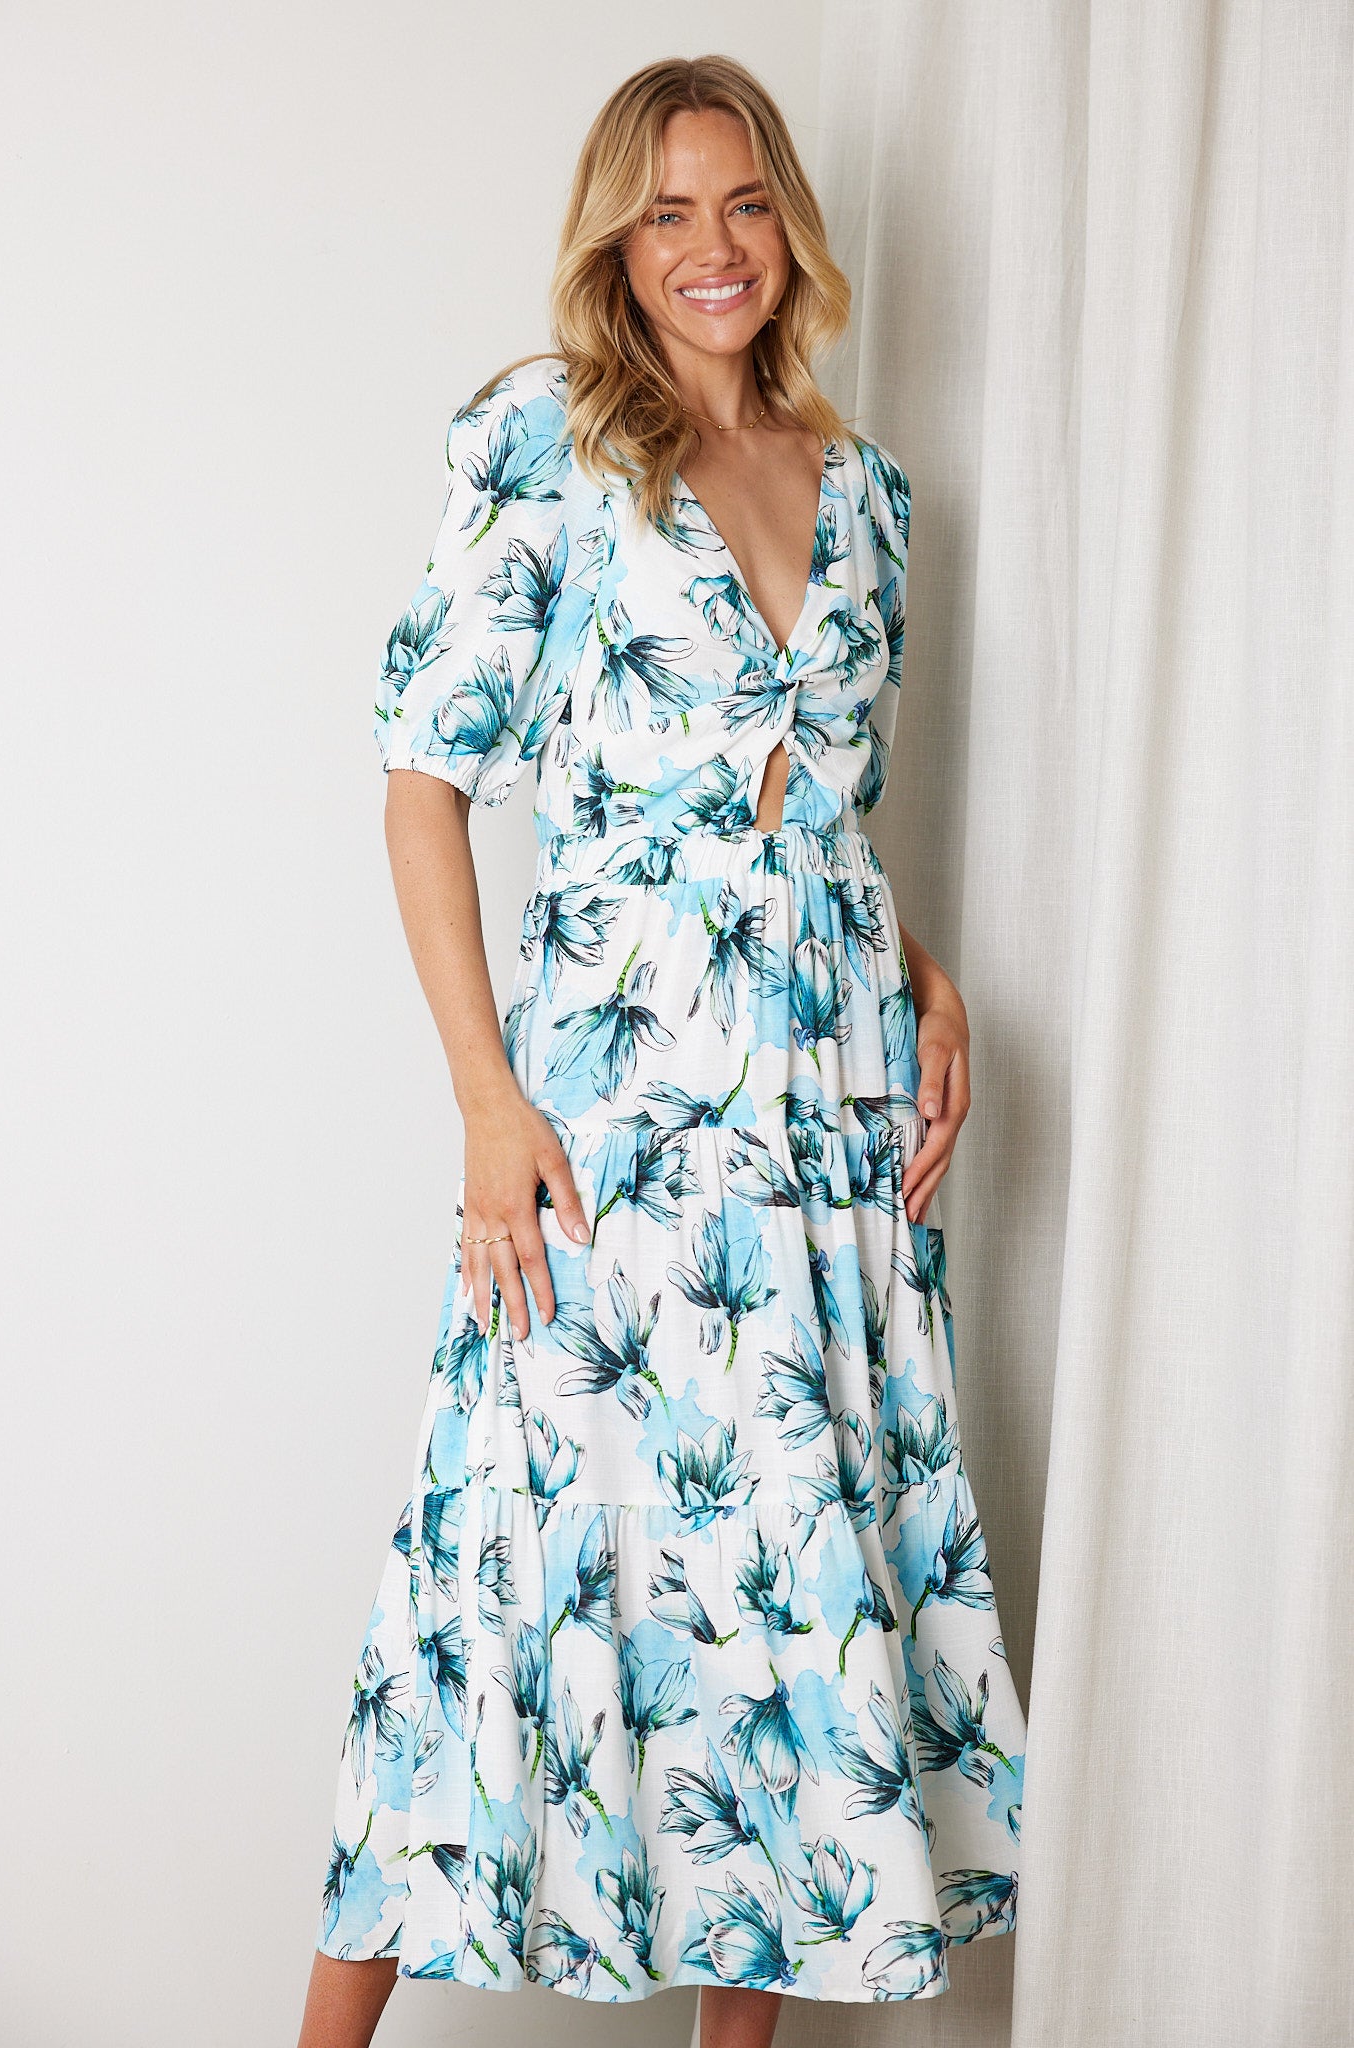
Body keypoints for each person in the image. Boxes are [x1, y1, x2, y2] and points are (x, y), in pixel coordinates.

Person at [296, 52, 1027, 2048]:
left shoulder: (865, 490)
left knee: (788, 1608)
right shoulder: (545, 444)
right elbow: (418, 785)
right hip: (613, 1119)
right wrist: (481, 1099)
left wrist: (924, 970)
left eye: (741, 203)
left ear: (787, 221)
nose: (709, 247)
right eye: (663, 211)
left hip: (829, 1122)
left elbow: (812, 816)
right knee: (495, 1582)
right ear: (614, 246)